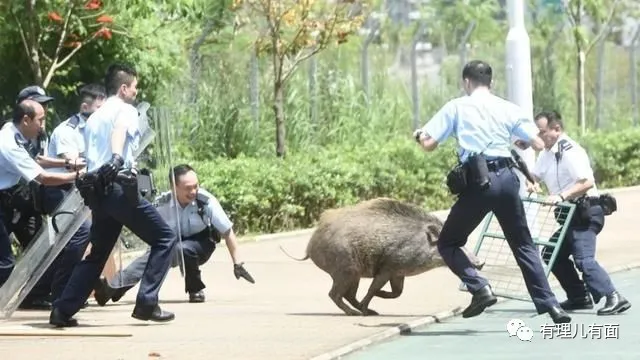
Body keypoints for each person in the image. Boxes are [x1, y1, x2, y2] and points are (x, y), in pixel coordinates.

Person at [412, 60, 571, 324]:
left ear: (466, 82)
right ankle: (552, 305)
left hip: (478, 182)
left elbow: (429, 144)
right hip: (508, 179)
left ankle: (479, 287)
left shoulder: (456, 107)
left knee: (448, 242)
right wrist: (518, 140)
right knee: (523, 244)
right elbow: (539, 142)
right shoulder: (507, 107)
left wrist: (418, 135)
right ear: (491, 83)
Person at [49, 63, 177, 328]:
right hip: (118, 187)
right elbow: (119, 133)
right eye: (134, 87)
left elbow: (90, 154)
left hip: (97, 191)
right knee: (165, 238)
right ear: (124, 88)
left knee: (98, 254)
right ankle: (147, 302)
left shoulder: (94, 116)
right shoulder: (125, 110)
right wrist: (118, 157)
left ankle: (61, 310)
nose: (135, 92)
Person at [93, 164, 255, 305]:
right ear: (173, 187)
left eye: (195, 186)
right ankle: (111, 289)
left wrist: (237, 264)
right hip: (172, 242)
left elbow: (227, 232)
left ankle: (195, 289)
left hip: (202, 244)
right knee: (152, 257)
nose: (193, 191)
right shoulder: (162, 203)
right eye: (188, 188)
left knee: (181, 249)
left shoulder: (206, 201)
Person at [526, 110, 631, 316]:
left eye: (542, 132)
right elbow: (536, 175)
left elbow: (587, 181)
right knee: (552, 253)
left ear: (556, 129)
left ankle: (613, 296)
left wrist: (561, 196)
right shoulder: (546, 153)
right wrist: (532, 182)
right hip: (569, 216)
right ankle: (578, 297)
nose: (538, 137)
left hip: (585, 211)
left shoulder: (571, 151)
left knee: (583, 258)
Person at [0, 100, 84, 293]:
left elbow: (34, 160)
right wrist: (79, 176)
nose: (43, 126)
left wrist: (68, 164)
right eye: (41, 120)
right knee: (4, 263)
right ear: (26, 120)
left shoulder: (14, 132)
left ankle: (34, 295)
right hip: (4, 200)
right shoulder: (8, 143)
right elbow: (43, 178)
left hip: (12, 200)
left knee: (39, 248)